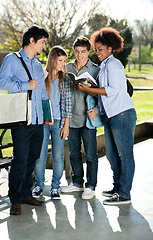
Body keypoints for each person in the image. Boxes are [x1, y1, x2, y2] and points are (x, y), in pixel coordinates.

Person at [76, 27, 137, 205]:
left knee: (125, 155)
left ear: (110, 48)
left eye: (100, 49)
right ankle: (117, 187)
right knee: (111, 154)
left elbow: (113, 91)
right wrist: (89, 93)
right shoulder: (104, 67)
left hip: (122, 114)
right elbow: (103, 94)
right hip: (111, 116)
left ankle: (125, 193)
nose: (97, 52)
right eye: (96, 49)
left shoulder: (114, 65)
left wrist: (88, 89)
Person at [0, 25, 49, 215]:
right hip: (21, 120)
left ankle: (26, 194)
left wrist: (47, 115)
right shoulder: (12, 59)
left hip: (37, 120)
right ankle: (16, 199)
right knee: (20, 160)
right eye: (42, 42)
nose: (44, 46)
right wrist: (24, 85)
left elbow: (42, 92)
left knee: (32, 158)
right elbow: (1, 82)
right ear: (32, 41)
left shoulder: (37, 63)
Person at [61, 36, 100, 200]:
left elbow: (102, 94)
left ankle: (91, 186)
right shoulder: (67, 67)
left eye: (83, 52)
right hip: (72, 118)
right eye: (76, 51)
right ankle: (77, 183)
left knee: (91, 155)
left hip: (88, 119)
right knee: (74, 154)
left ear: (88, 52)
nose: (79, 55)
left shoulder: (95, 70)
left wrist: (97, 110)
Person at [32, 46, 72, 200]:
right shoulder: (43, 77)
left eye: (64, 61)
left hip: (59, 123)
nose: (62, 63)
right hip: (42, 122)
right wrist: (42, 77)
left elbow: (68, 104)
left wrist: (66, 125)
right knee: (40, 156)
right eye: (60, 60)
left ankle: (55, 187)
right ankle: (39, 185)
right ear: (53, 59)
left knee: (57, 156)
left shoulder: (65, 80)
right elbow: (35, 98)